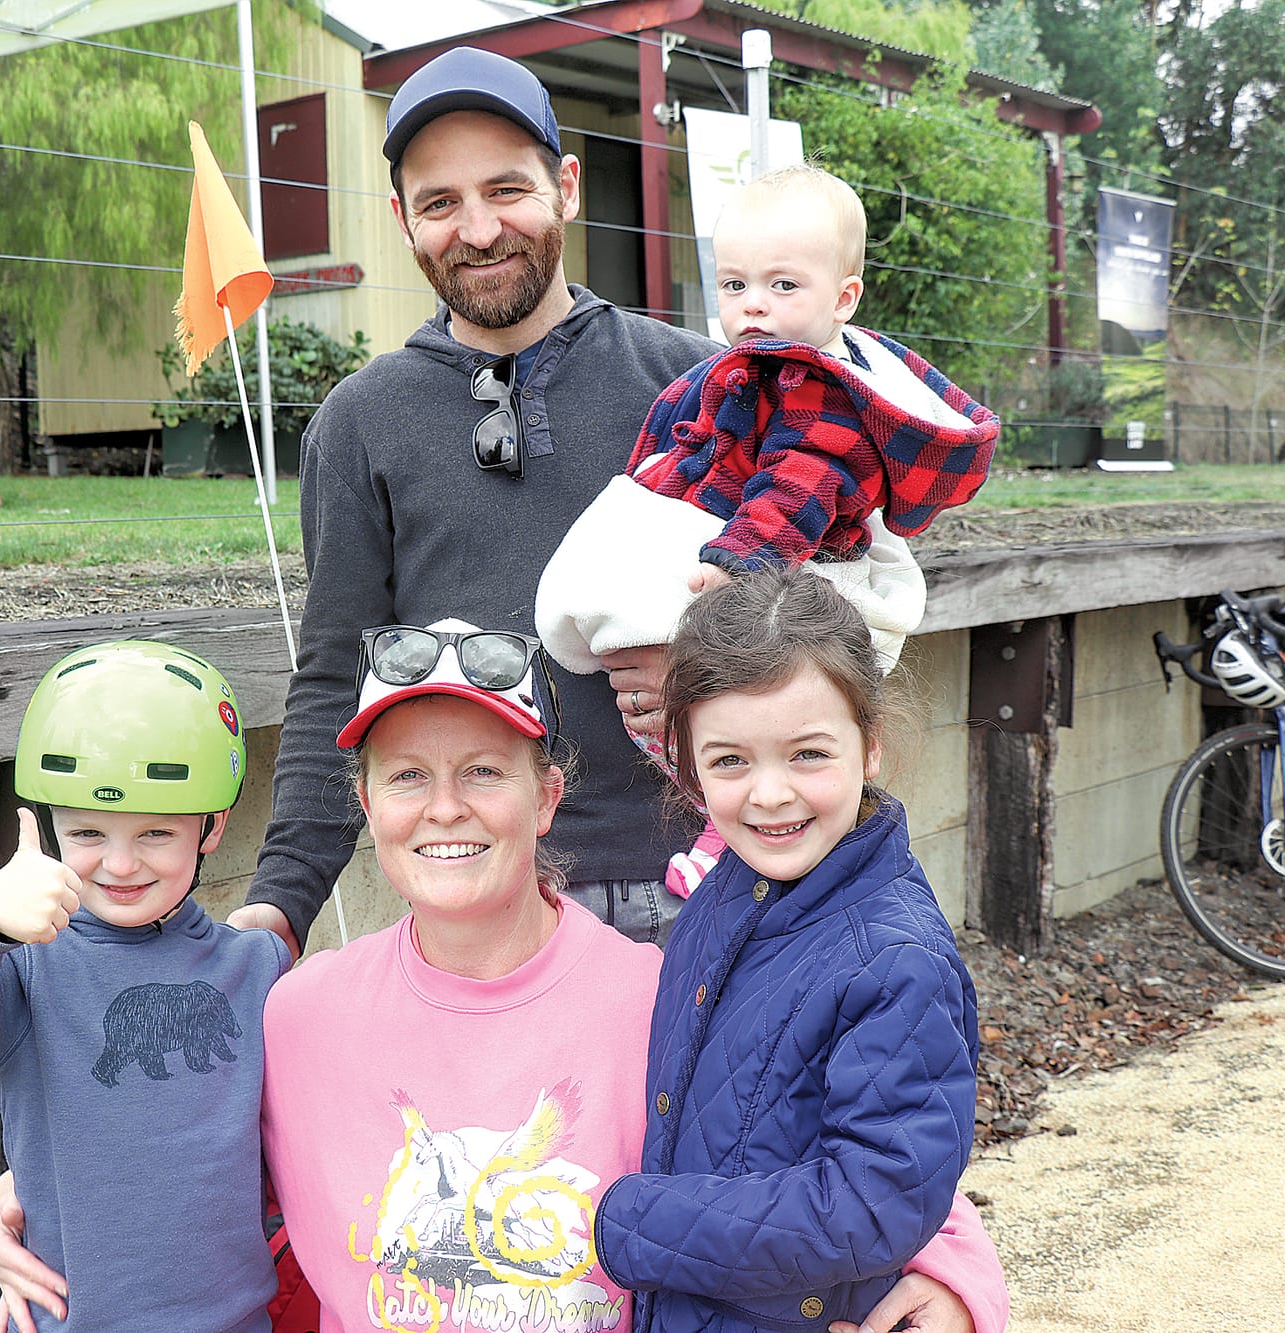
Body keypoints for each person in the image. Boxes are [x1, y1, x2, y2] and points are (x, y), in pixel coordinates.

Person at [0, 621, 1008, 1333]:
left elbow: (861, 1159)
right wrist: (30, 1185)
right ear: (366, 804)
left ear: (546, 794)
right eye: (407, 777)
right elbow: (167, 1137)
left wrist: (960, 1276)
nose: (445, 808)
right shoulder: (293, 1009)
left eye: (483, 771)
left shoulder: (659, 990)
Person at [227, 45, 724, 955]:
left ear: (566, 186)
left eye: (507, 190)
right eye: (440, 203)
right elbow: (338, 670)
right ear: (402, 220)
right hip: (478, 900)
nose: (480, 229)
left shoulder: (696, 387)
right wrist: (282, 901)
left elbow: (802, 615)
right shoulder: (360, 422)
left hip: (700, 881)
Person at [533, 164, 999, 892]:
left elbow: (798, 488)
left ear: (844, 297)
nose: (753, 305)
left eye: (783, 286)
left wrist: (732, 565)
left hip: (781, 562)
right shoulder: (758, 365)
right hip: (747, 542)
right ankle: (719, 823)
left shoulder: (818, 387)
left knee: (717, 725)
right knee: (689, 717)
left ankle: (723, 836)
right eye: (734, 285)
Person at [591, 567, 982, 1331]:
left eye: (807, 754)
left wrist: (641, 1224)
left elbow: (877, 1198)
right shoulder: (723, 893)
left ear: (868, 747)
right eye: (731, 760)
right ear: (689, 763)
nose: (770, 793)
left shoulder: (897, 959)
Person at [0, 640, 290, 1333]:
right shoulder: (23, 974)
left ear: (213, 825)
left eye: (156, 831)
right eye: (89, 830)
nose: (120, 863)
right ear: (50, 820)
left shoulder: (258, 969)